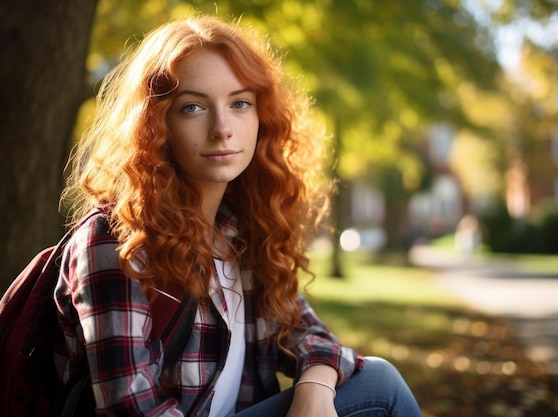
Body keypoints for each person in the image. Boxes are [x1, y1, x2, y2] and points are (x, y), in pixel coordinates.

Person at [56, 15, 422, 417]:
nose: (222, 128)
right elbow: (130, 406)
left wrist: (315, 385)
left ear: (261, 117)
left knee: (373, 381)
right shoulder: (117, 240)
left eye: (240, 103)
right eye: (192, 107)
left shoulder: (237, 231)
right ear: (154, 125)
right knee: (381, 387)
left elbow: (308, 333)